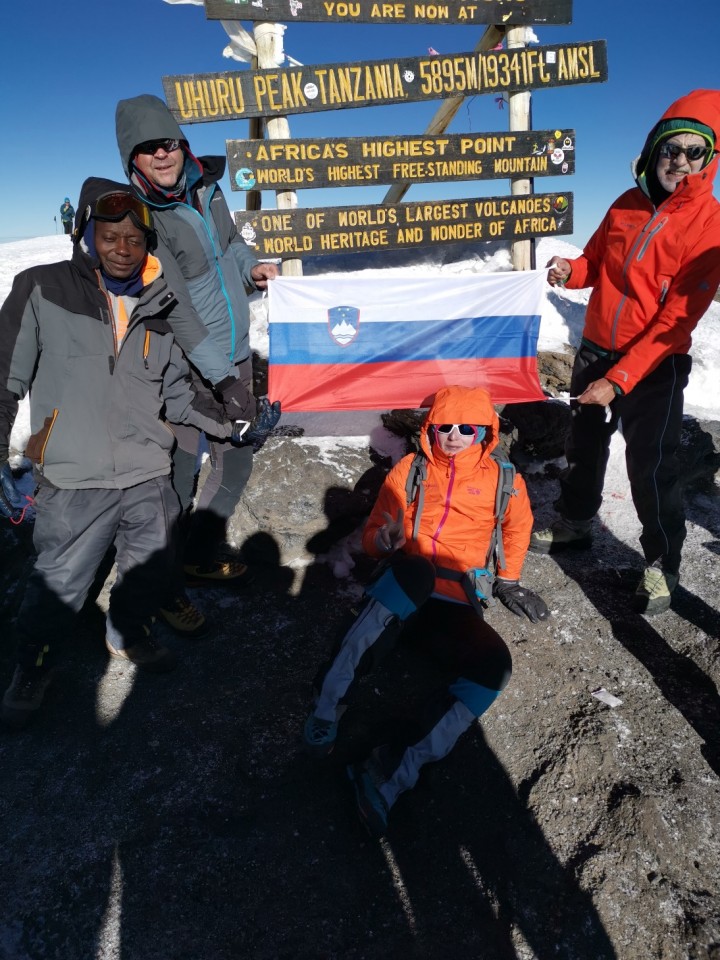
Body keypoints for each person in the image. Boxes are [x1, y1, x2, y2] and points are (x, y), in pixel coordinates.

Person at [0, 178, 250, 728]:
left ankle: (126, 632)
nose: (122, 248)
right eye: (110, 235)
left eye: (134, 240)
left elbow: (180, 397)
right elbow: (6, 375)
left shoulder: (160, 307)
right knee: (59, 582)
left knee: (146, 569)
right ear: (86, 234)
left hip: (147, 475)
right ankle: (33, 665)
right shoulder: (42, 289)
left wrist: (232, 425)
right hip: (73, 477)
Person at [301, 385, 549, 836]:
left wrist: (508, 580)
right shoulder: (410, 470)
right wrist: (383, 541)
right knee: (415, 570)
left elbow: (517, 529)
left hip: (456, 608)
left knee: (493, 668)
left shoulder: (505, 481)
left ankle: (390, 774)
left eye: (465, 428)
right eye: (443, 427)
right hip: (403, 590)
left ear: (484, 433)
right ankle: (327, 705)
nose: (453, 436)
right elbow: (376, 532)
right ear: (431, 428)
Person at [531, 89, 720, 616]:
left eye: (693, 151)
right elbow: (594, 261)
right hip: (596, 346)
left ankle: (662, 563)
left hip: (656, 364)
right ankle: (574, 523)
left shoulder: (710, 223)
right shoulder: (624, 204)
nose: (679, 161)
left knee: (651, 466)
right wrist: (573, 272)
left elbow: (678, 318)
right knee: (584, 443)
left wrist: (618, 380)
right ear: (653, 149)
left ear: (708, 160)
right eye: (670, 148)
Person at [115, 93, 280, 639]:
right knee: (179, 476)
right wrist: (224, 376)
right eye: (147, 149)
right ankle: (161, 576)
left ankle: (198, 552)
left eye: (168, 142)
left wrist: (250, 267)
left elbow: (229, 244)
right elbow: (176, 306)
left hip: (233, 350)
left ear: (182, 143)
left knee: (236, 460)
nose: (162, 155)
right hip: (184, 367)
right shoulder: (145, 219)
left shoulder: (207, 188)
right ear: (131, 159)